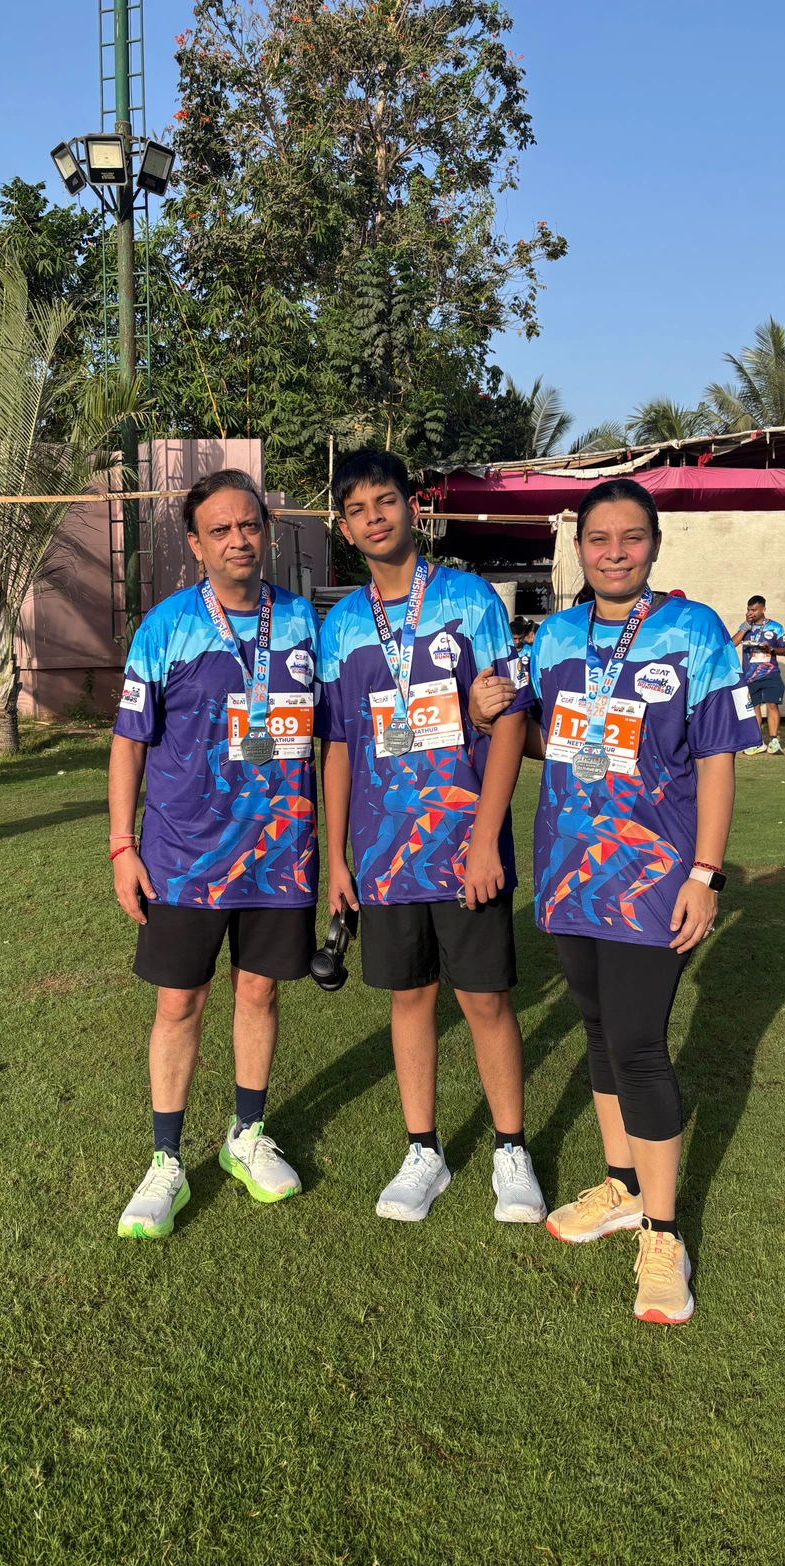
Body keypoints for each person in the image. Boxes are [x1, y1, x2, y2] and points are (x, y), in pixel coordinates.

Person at [471, 479, 761, 1323]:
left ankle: (664, 1235)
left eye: (631, 538)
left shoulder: (694, 630)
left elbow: (716, 757)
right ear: (579, 549)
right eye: (598, 539)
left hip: (654, 877)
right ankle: (622, 1185)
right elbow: (540, 736)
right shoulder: (557, 636)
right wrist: (487, 713)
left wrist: (706, 874)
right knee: (599, 1033)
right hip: (572, 873)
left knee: (637, 1045)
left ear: (654, 545)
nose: (614, 553)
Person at [317, 448, 545, 1226]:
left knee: (484, 999)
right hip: (383, 855)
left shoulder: (469, 599)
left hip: (463, 848)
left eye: (385, 501)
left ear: (413, 507)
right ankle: (424, 1150)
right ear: (344, 528)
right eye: (357, 510)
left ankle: (511, 1149)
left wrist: (485, 840)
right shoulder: (342, 625)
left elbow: (509, 715)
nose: (374, 518)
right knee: (410, 998)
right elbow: (338, 745)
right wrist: (338, 857)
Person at [109, 469, 320, 1239]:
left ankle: (246, 1135)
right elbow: (128, 743)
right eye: (220, 529)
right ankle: (166, 1160)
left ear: (267, 532)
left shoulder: (302, 621)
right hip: (183, 856)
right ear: (195, 545)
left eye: (249, 525)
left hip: (280, 855)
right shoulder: (165, 628)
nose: (238, 540)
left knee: (259, 994)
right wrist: (122, 845)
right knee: (179, 1003)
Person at [730, 594, 785, 755]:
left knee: (772, 705)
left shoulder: (775, 627)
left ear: (763, 609)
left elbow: (784, 650)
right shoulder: (745, 627)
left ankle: (774, 741)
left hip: (770, 672)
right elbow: (732, 644)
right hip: (750, 675)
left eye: (754, 610)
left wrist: (771, 649)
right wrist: (745, 627)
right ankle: (757, 742)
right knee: (753, 707)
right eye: (749, 610)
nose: (751, 613)